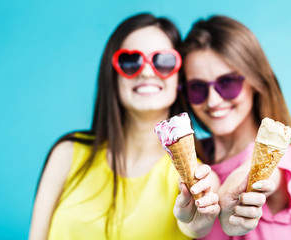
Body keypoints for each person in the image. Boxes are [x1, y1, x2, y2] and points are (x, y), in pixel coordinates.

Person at [29, 13, 220, 240]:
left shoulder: (197, 178)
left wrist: (197, 222)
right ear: (113, 77)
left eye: (163, 61)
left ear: (179, 78)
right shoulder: (68, 154)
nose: (147, 72)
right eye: (130, 61)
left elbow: (195, 224)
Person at [179, 15, 291, 239]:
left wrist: (234, 190)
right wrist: (189, 226)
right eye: (198, 87)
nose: (213, 101)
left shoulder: (282, 158)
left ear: (255, 81)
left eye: (227, 82)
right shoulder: (195, 158)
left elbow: (261, 174)